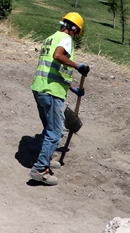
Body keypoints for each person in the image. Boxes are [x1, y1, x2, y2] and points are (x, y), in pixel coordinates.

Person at [29, 11, 90, 186]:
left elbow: (56, 67)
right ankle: (41, 169)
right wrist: (78, 66)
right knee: (55, 132)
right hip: (52, 92)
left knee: (49, 128)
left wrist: (73, 88)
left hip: (39, 88)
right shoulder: (66, 40)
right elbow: (58, 56)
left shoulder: (50, 38)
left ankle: (42, 158)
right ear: (74, 30)